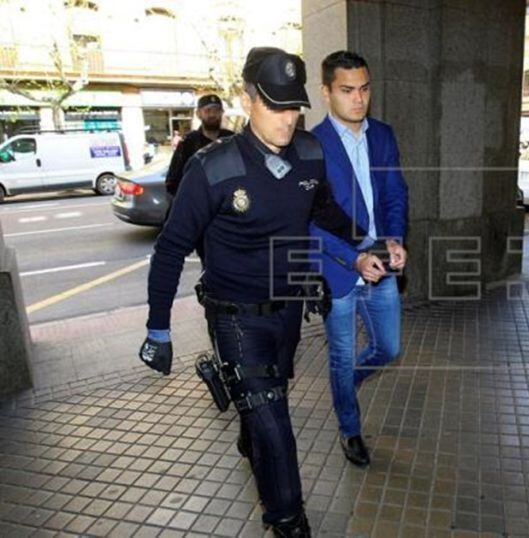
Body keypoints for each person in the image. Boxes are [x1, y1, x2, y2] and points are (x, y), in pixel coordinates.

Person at [138, 47, 369, 537]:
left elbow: (322, 209)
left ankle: (250, 428)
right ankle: (288, 523)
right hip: (235, 319)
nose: (288, 119)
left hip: (286, 315)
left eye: (294, 107)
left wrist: (363, 245)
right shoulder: (211, 168)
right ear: (247, 101)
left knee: (267, 406)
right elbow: (171, 248)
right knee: (278, 433)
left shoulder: (309, 151)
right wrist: (158, 328)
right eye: (274, 105)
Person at [309, 50, 409, 466]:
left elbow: (394, 193)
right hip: (338, 268)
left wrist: (395, 239)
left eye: (365, 88)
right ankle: (349, 428)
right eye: (347, 90)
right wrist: (352, 259)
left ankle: (343, 386)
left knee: (387, 347)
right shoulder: (309, 145)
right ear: (326, 91)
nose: (358, 99)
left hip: (380, 260)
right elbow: (308, 220)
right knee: (342, 353)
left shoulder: (382, 135)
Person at [165, 95, 235, 196]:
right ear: (198, 114)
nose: (212, 114)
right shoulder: (188, 143)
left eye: (216, 110)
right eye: (207, 110)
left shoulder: (232, 140)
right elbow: (172, 181)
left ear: (222, 113)